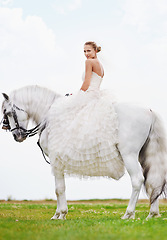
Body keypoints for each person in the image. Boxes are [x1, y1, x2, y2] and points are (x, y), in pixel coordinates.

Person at [48, 41, 124, 179]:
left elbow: (87, 83)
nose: (86, 54)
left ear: (95, 50)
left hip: (89, 94)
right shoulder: (100, 64)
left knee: (65, 112)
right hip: (96, 94)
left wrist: (77, 95)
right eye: (84, 51)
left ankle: (65, 149)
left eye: (88, 51)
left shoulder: (89, 62)